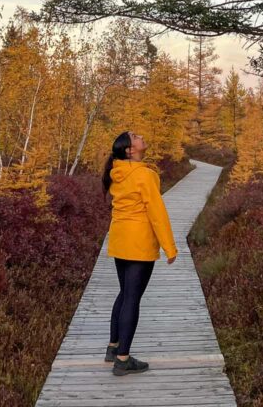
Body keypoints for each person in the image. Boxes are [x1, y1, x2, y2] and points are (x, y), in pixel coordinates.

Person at [101, 130, 178, 376]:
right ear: (129, 150)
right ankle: (123, 359)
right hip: (139, 243)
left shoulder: (117, 173)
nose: (141, 136)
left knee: (125, 294)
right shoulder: (145, 175)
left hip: (120, 239)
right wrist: (169, 246)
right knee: (132, 298)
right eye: (135, 136)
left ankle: (113, 347)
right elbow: (157, 213)